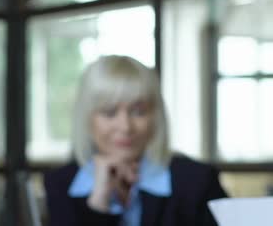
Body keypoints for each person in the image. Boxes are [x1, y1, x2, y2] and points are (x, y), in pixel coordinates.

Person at [44, 55, 227, 226]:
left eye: (138, 112)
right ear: (86, 119)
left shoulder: (198, 182)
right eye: (109, 112)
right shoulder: (60, 184)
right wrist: (99, 201)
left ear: (155, 117)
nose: (125, 127)